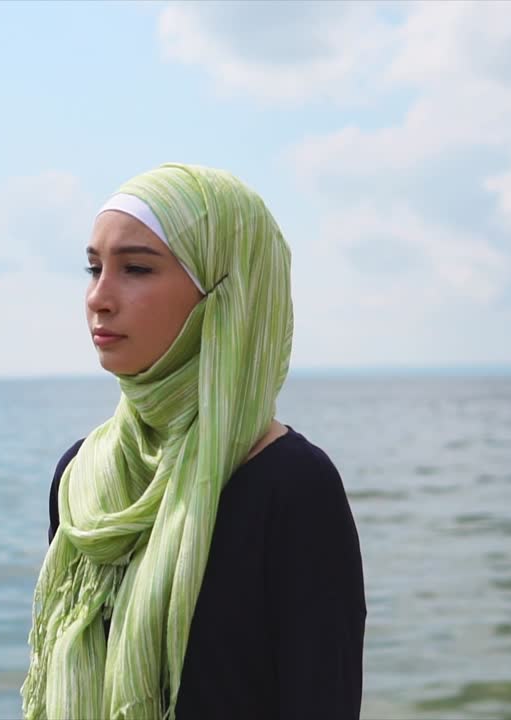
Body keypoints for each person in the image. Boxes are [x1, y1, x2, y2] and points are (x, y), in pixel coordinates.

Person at [20, 164, 366, 720]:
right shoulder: (81, 477)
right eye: (92, 268)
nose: (99, 298)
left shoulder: (294, 487)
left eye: (134, 268)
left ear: (226, 290)